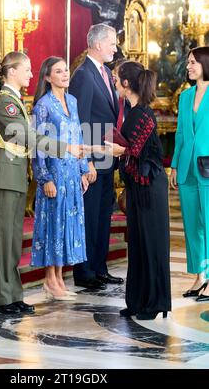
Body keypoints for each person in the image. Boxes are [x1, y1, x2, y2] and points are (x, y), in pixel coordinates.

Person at [0, 51, 86, 316]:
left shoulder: (15, 100)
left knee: (12, 239)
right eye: (26, 69)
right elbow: (26, 135)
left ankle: (12, 296)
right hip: (4, 174)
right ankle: (2, 298)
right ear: (12, 72)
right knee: (2, 239)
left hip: (14, 174)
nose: (31, 74)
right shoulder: (5, 102)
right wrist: (66, 148)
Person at [94, 61, 171, 320]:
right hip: (139, 186)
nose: (114, 82)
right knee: (137, 243)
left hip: (150, 188)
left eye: (116, 78)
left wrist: (118, 150)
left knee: (150, 244)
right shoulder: (132, 110)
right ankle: (138, 301)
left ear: (126, 84)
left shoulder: (143, 114)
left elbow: (135, 151)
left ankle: (153, 303)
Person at [69, 23, 124, 290]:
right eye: (112, 42)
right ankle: (85, 271)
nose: (116, 47)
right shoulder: (83, 75)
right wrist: (87, 161)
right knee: (89, 215)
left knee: (104, 215)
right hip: (92, 158)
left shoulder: (104, 72)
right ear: (98, 44)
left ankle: (100, 267)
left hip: (107, 157)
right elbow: (81, 121)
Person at [31, 56, 89, 299]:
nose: (65, 74)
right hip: (54, 173)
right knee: (53, 225)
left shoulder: (73, 101)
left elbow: (79, 137)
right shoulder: (42, 106)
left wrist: (84, 168)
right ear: (47, 77)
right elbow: (37, 144)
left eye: (66, 70)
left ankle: (60, 278)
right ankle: (49, 279)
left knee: (68, 225)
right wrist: (45, 179)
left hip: (72, 175)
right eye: (58, 71)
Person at [170, 46, 209, 301]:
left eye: (193, 62)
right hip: (187, 168)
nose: (189, 66)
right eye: (188, 63)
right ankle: (199, 276)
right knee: (192, 225)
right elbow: (181, 134)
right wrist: (174, 165)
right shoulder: (185, 97)